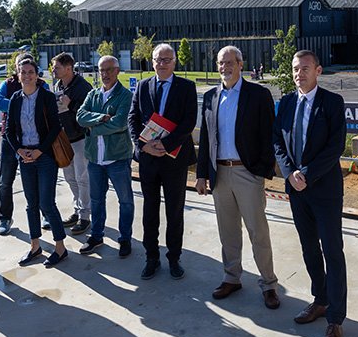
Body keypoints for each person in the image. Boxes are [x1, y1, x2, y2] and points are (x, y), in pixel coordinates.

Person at [272, 50, 347, 337]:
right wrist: (290, 174)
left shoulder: (332, 103)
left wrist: (307, 173)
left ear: (318, 70)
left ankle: (336, 320)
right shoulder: (287, 102)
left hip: (324, 189)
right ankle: (320, 300)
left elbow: (336, 145)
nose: (298, 74)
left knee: (332, 250)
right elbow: (277, 140)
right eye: (294, 69)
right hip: (296, 190)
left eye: (304, 68)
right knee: (308, 248)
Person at [196, 46, 280, 309]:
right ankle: (232, 277)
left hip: (247, 173)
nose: (225, 67)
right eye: (221, 63)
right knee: (228, 231)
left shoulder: (258, 94)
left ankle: (268, 283)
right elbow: (207, 139)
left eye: (230, 62)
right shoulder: (210, 97)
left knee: (258, 232)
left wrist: (262, 171)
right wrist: (202, 175)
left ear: (241, 64)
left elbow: (270, 135)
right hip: (220, 173)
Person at [128, 44, 197, 280]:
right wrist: (142, 146)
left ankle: (174, 258)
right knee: (149, 211)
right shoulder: (143, 85)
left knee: (175, 211)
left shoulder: (187, 87)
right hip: (148, 159)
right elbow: (133, 117)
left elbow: (189, 122)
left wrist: (165, 146)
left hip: (174, 159)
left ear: (175, 62)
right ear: (152, 61)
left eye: (167, 59)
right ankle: (151, 258)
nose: (162, 63)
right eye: (158, 59)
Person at [5, 58, 68, 268]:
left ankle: (60, 248)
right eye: (23, 72)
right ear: (18, 74)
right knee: (31, 204)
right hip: (25, 157)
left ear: (37, 74)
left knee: (47, 203)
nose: (27, 76)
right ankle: (35, 246)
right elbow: (9, 131)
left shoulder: (47, 97)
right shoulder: (15, 98)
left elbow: (55, 127)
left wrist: (40, 151)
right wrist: (20, 150)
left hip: (45, 156)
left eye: (30, 72)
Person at [76, 56, 135, 258]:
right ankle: (96, 236)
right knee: (97, 200)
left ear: (117, 71)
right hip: (95, 159)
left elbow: (119, 123)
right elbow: (80, 116)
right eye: (102, 70)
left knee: (125, 201)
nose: (105, 74)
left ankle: (125, 238)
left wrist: (93, 128)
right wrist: (100, 118)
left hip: (117, 158)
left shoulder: (125, 96)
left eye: (109, 69)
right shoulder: (93, 95)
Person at [0, 53, 49, 236]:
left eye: (29, 70)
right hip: (10, 139)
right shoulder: (8, 85)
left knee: (39, 181)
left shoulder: (42, 85)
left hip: (35, 142)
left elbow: (48, 104)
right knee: (5, 181)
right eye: (20, 69)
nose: (25, 74)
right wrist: (21, 104)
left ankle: (45, 214)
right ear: (16, 70)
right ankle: (5, 217)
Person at [51, 52, 93, 235]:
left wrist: (71, 105)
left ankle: (85, 216)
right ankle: (78, 209)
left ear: (69, 68)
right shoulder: (58, 85)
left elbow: (91, 114)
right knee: (70, 177)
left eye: (57, 67)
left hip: (81, 139)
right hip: (64, 140)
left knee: (83, 179)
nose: (53, 70)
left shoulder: (83, 87)